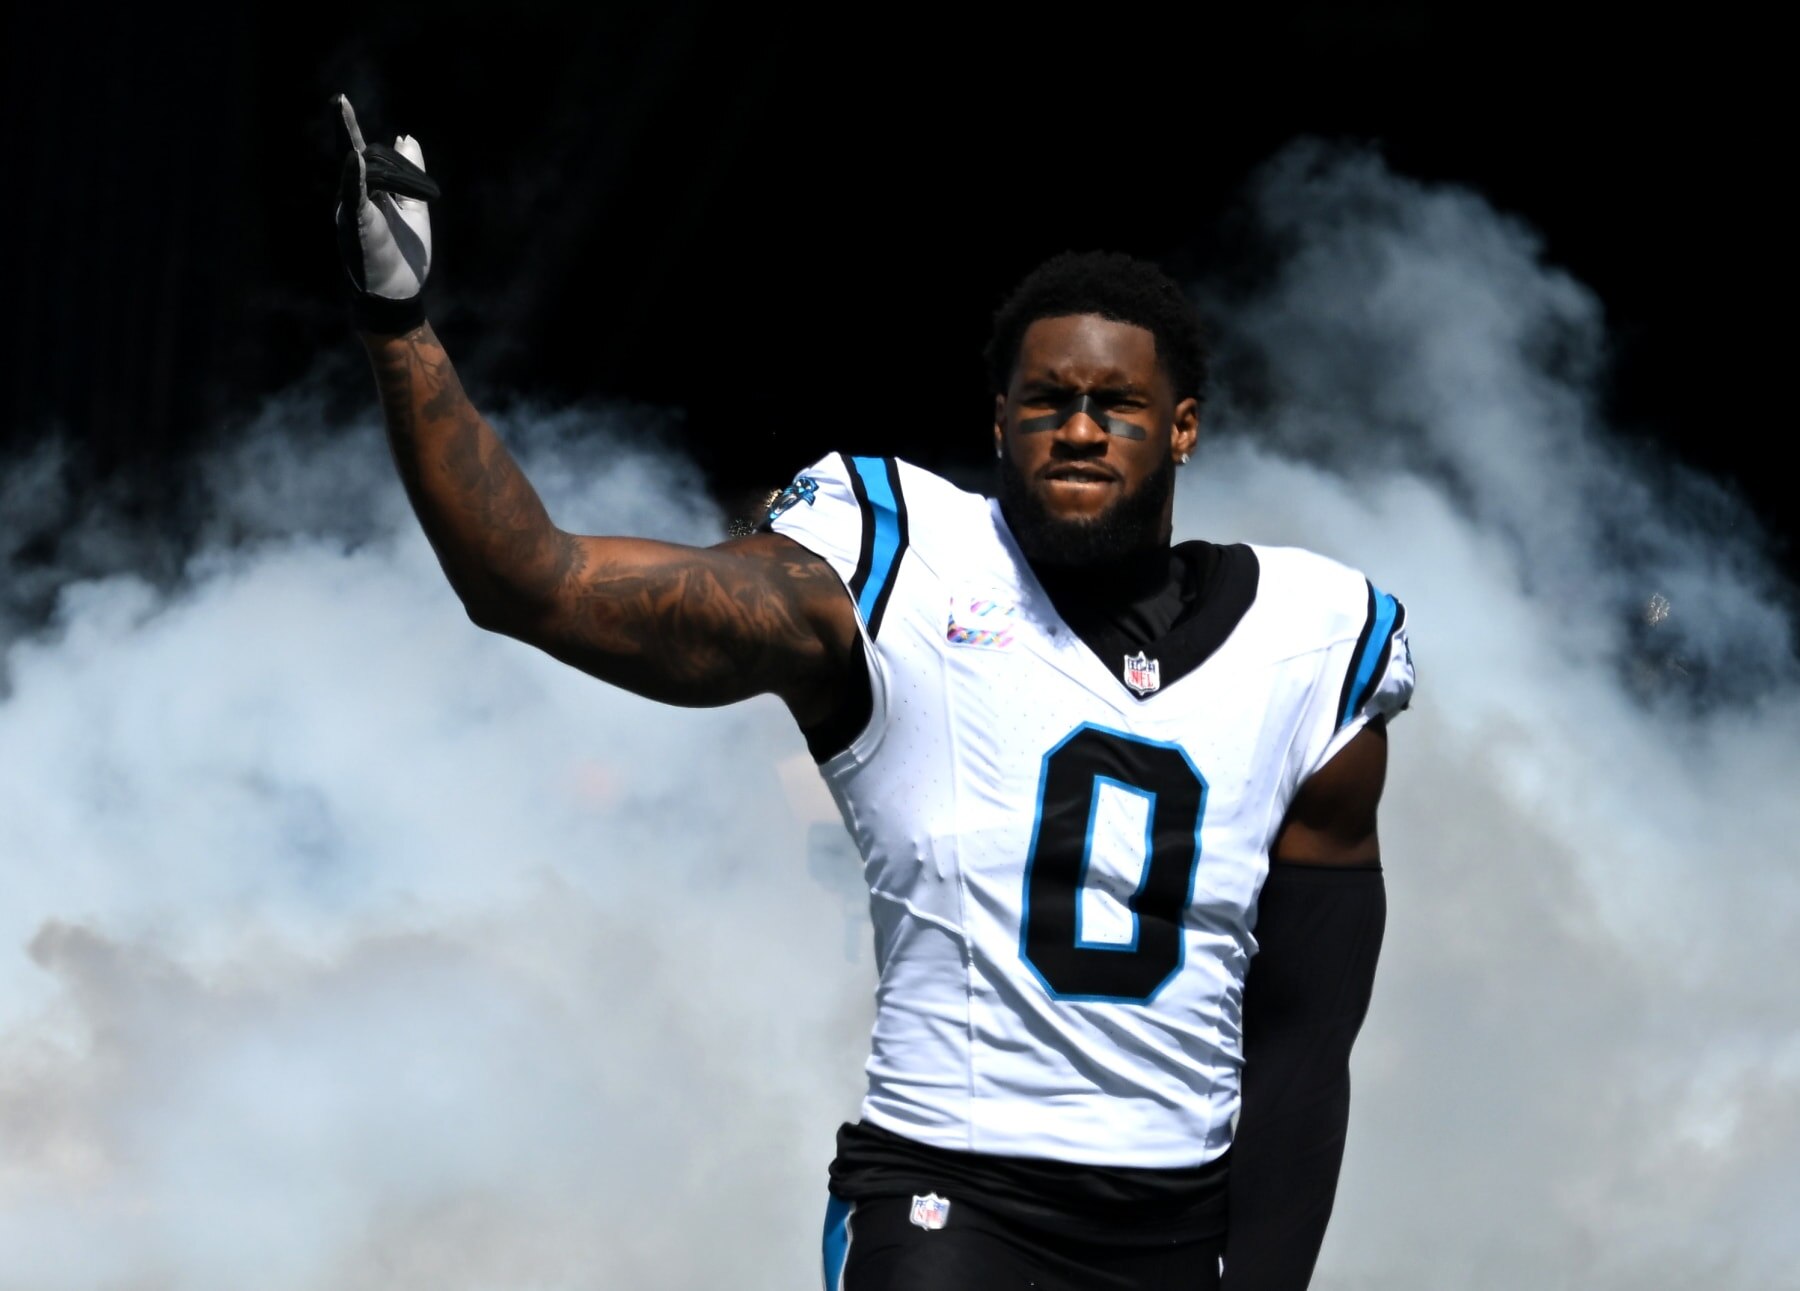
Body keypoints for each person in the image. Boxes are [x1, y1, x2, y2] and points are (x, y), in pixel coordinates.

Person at [334, 96, 1414, 1291]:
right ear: (998, 419)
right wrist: (401, 326)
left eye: (1117, 405)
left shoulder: (1314, 640)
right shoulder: (895, 565)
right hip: (950, 1202)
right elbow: (533, 580)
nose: (1082, 430)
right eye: (1048, 401)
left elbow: (1308, 1042)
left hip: (1175, 1224)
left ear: (1184, 428)